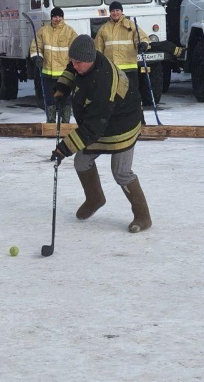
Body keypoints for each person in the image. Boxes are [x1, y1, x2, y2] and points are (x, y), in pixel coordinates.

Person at [50, 34, 152, 233]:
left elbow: (92, 128)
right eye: (72, 60)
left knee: (121, 172)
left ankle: (143, 215)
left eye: (78, 62)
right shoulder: (85, 59)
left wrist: (63, 149)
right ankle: (95, 198)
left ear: (90, 59)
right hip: (101, 121)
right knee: (81, 162)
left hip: (123, 124)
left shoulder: (103, 83)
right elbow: (72, 69)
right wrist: (62, 87)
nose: (74, 65)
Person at [30, 7, 77, 124]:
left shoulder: (70, 32)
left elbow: (75, 49)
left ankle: (65, 121)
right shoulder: (43, 31)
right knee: (49, 99)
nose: (57, 19)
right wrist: (37, 57)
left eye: (60, 16)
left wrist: (74, 65)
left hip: (64, 73)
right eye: (55, 16)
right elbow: (36, 46)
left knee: (66, 98)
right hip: (48, 72)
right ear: (51, 18)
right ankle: (51, 121)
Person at [94, 0, 150, 92]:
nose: (115, 13)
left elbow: (141, 37)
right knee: (113, 93)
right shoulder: (104, 29)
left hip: (129, 67)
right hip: (112, 69)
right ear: (110, 12)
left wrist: (142, 44)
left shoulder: (130, 25)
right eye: (113, 11)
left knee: (131, 92)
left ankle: (134, 106)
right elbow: (98, 48)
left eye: (117, 10)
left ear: (121, 11)